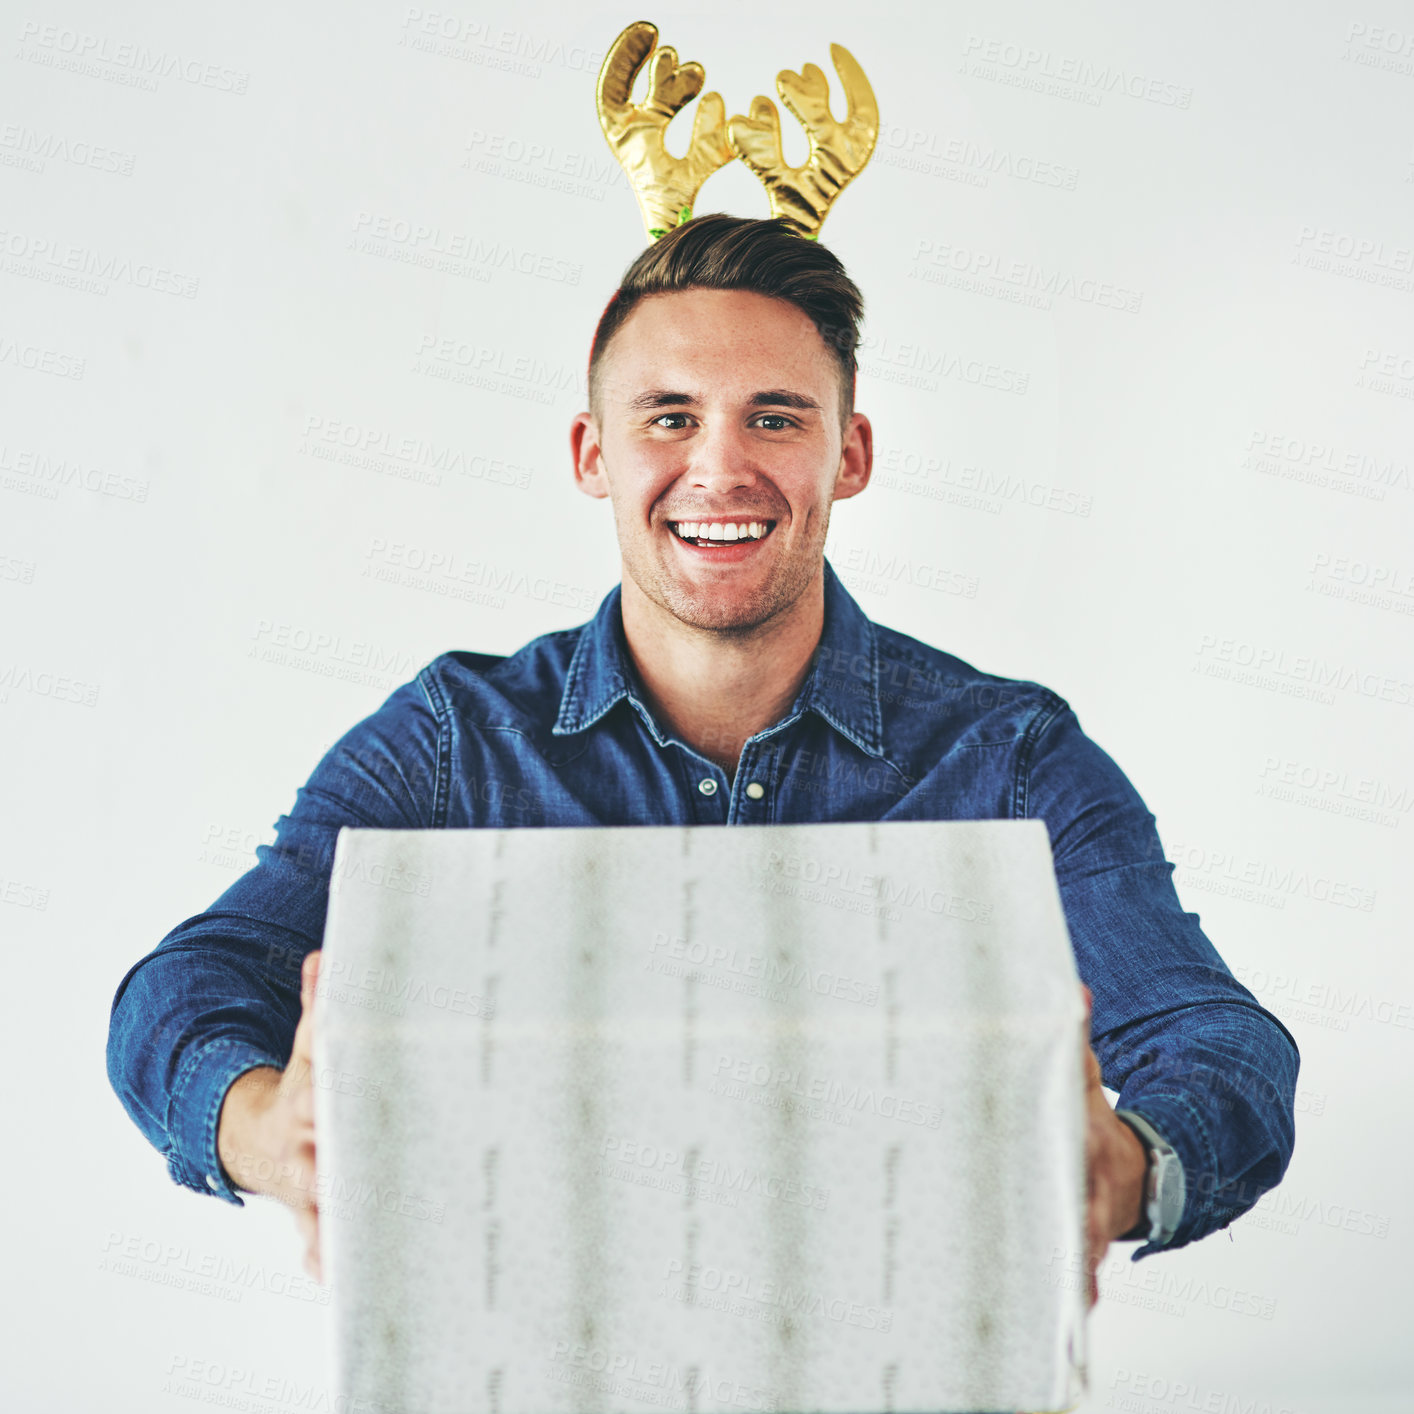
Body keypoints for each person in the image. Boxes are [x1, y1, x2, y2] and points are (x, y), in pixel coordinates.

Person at [106, 213, 1299, 1308]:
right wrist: (279, 1133)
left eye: (774, 416)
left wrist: (1125, 1169)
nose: (719, 468)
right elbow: (189, 986)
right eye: (668, 415)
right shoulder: (453, 745)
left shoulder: (1010, 758)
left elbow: (1216, 1043)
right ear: (592, 453)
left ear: (850, 453)